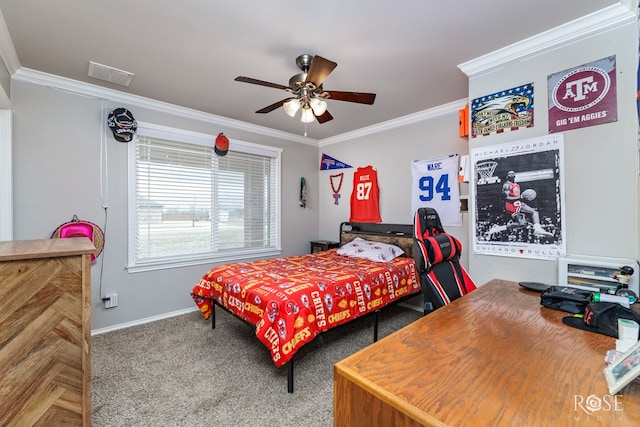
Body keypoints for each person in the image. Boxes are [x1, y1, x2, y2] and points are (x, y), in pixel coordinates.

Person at [485, 170, 554, 239]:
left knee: (521, 223)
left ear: (514, 176)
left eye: (512, 173)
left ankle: (498, 228)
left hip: (517, 203)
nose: (511, 175)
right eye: (510, 174)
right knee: (534, 212)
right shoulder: (507, 185)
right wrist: (520, 198)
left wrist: (521, 198)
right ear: (507, 177)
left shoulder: (517, 185)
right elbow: (507, 198)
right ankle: (537, 229)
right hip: (511, 204)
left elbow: (517, 197)